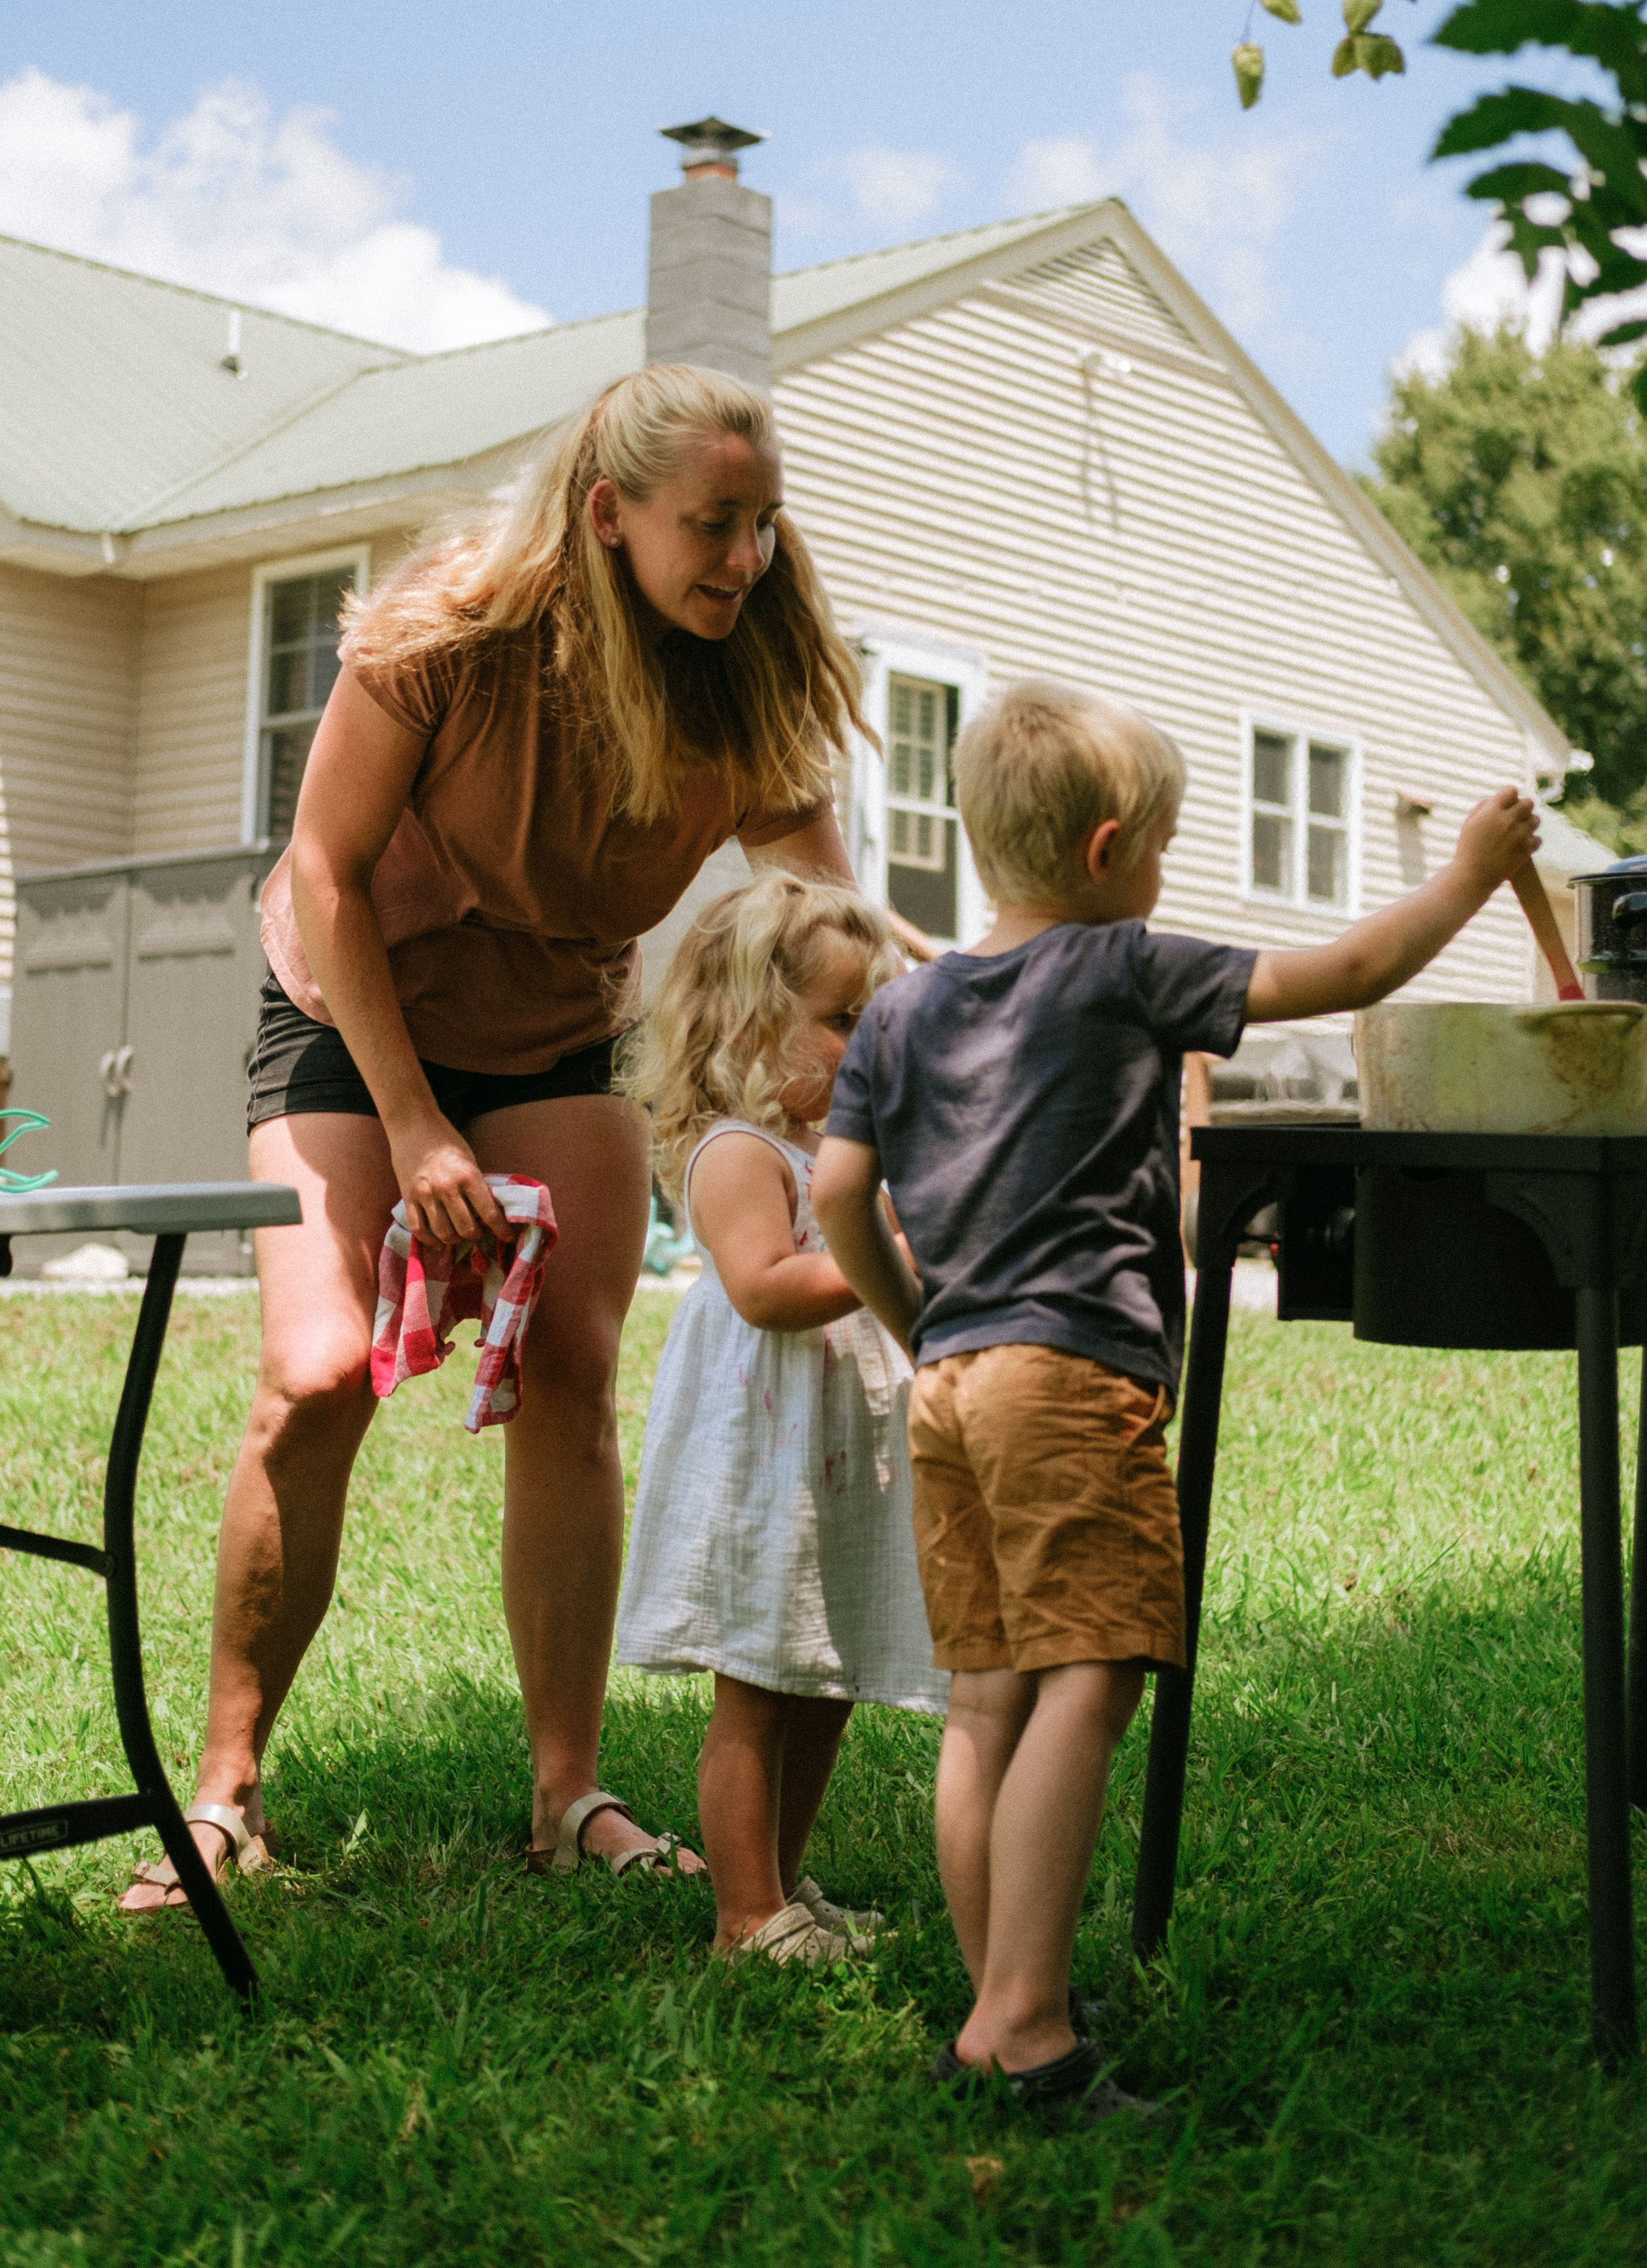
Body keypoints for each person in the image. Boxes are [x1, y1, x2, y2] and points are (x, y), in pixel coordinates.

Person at [121, 364, 868, 1911]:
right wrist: (407, 1128)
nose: (743, 558)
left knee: (575, 1371)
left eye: (762, 523)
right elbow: (326, 873)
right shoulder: (444, 629)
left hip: (550, 1022)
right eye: (710, 526)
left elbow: (826, 923)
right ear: (609, 516)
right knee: (317, 1373)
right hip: (350, 1005)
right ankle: (225, 1794)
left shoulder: (747, 676)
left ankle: (565, 1793)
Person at [811, 677, 1538, 2115]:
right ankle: (1022, 2028)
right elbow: (1337, 979)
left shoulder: (900, 1012)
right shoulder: (1119, 964)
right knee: (1096, 1668)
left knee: (980, 1705)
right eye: (1156, 847)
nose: (1159, 875)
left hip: (950, 1385)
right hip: (1072, 1380)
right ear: (1100, 855)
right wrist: (1465, 870)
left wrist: (922, 1327)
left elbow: (840, 1193)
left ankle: (999, 1996)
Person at [615, 872, 946, 1962]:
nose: (866, 1046)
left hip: (838, 1454)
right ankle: (743, 1913)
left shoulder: (832, 1157)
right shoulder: (738, 1155)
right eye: (844, 1021)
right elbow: (764, 1286)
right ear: (754, 1023)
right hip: (766, 1453)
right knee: (758, 1687)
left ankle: (785, 1884)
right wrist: (883, 1257)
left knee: (823, 1674)